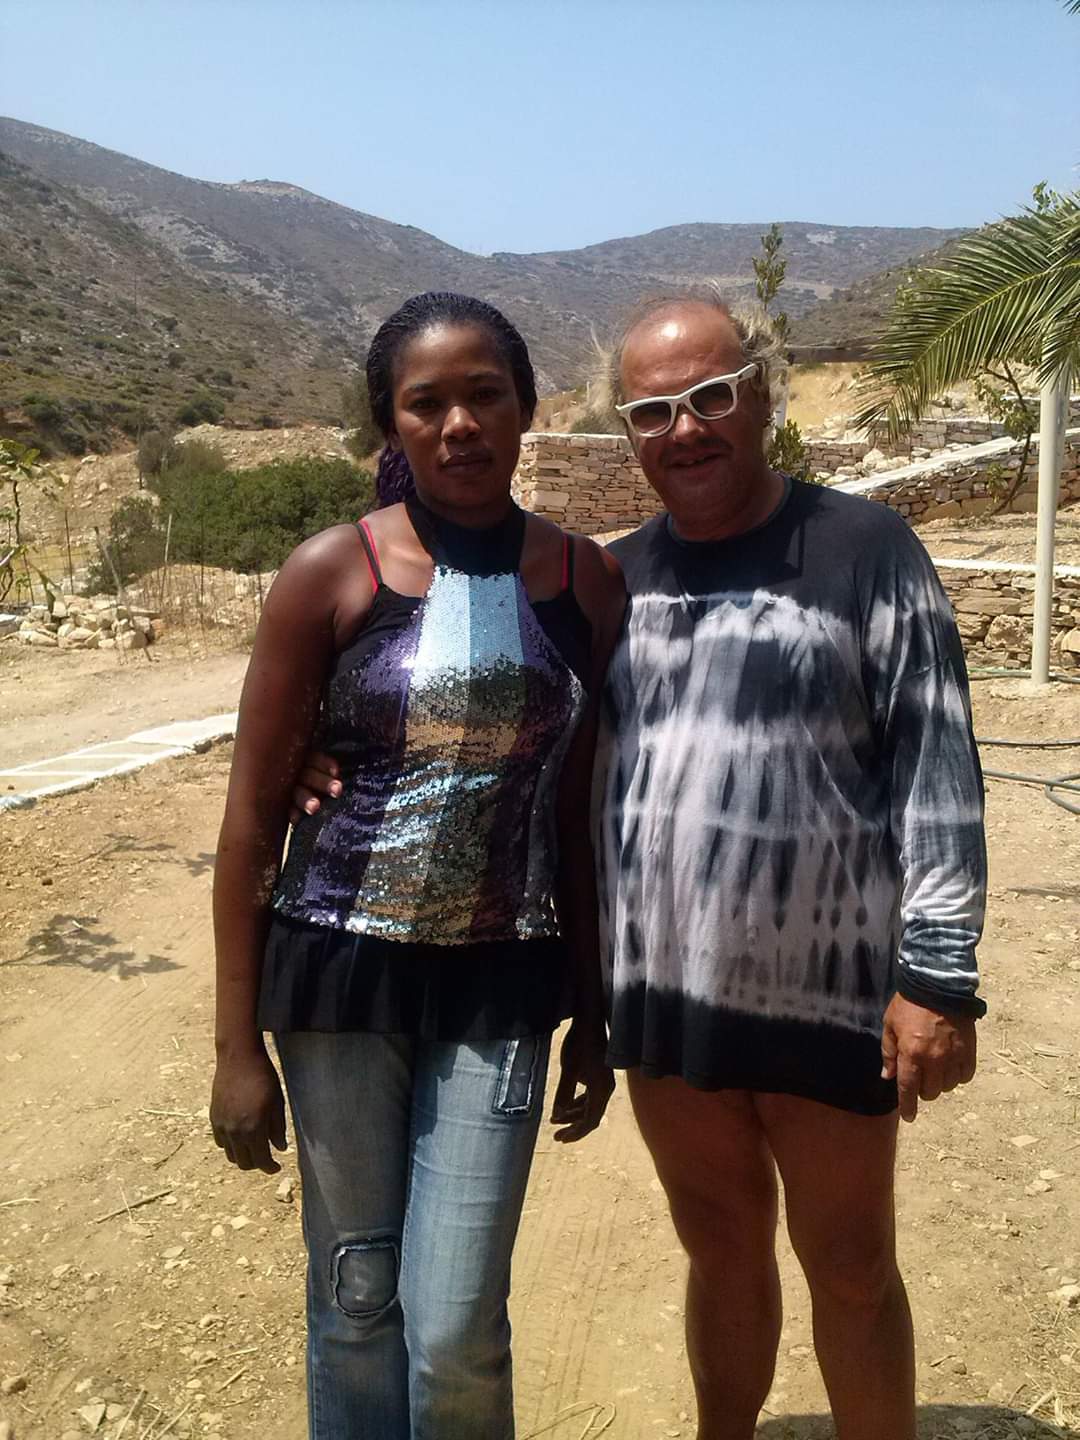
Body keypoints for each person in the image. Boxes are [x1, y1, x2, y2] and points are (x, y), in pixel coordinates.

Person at [294, 288, 987, 1440]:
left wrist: (939, 975)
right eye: (655, 411)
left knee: (853, 1267)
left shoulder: (868, 550)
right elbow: (516, 740)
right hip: (665, 1002)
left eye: (712, 397)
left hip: (833, 993)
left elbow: (939, 770)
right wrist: (317, 750)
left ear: (762, 393)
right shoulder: (610, 582)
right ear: (627, 429)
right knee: (720, 1252)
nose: (687, 429)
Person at [210, 291, 624, 1439]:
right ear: (391, 423)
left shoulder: (586, 581)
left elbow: (579, 815)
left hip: (503, 984)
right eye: (426, 402)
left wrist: (593, 1017)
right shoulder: (331, 573)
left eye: (484, 394)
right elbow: (250, 823)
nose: (459, 424)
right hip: (337, 979)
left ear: (527, 406)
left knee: (455, 1325)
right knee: (356, 1296)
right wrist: (235, 1047)